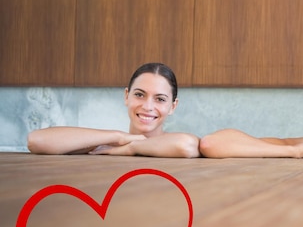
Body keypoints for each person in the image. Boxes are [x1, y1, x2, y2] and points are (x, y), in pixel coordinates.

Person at [27, 62, 200, 158]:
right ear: (127, 96)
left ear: (173, 106)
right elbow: (37, 140)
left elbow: (186, 145)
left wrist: (130, 148)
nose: (147, 106)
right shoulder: (109, 145)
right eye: (139, 95)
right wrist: (119, 137)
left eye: (160, 99)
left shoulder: (178, 143)